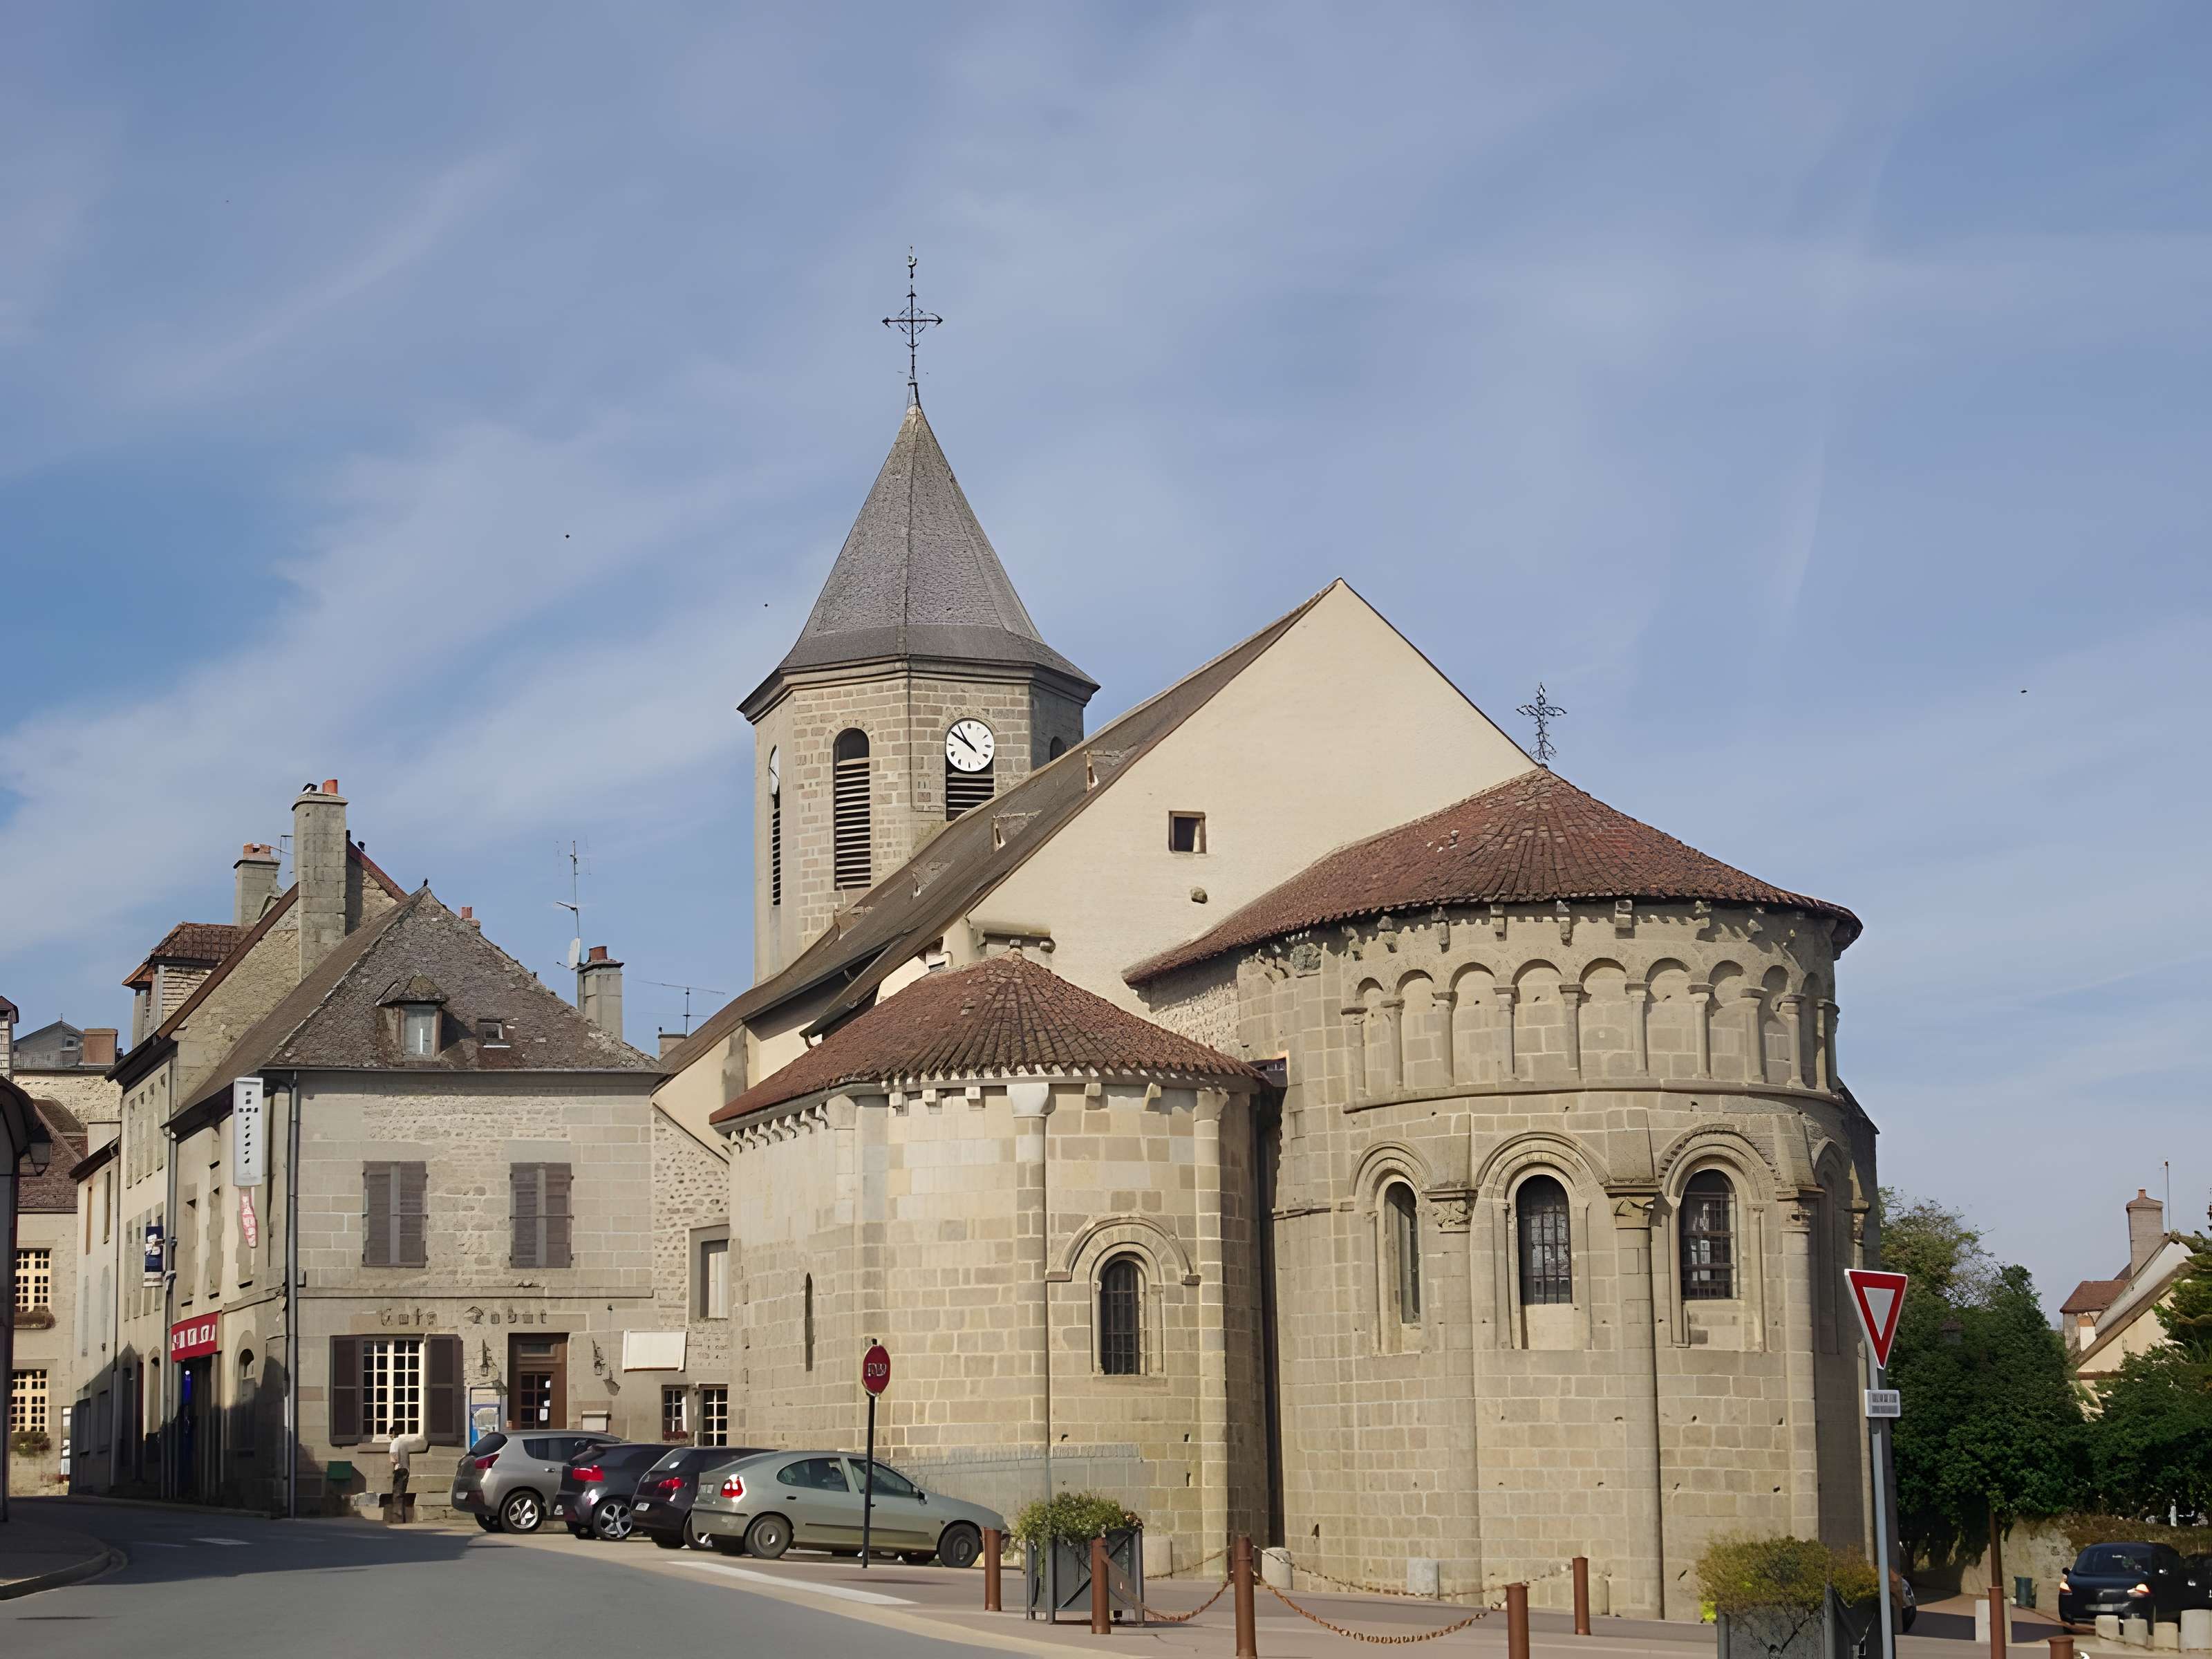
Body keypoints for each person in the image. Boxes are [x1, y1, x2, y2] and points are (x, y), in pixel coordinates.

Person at [388, 1428, 429, 1524]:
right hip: (406, 1470)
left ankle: (397, 1519)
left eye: (390, 1434)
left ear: (393, 1433)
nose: (389, 1436)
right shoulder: (404, 1443)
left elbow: (394, 1458)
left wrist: (394, 1468)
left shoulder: (394, 1442)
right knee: (402, 1494)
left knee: (397, 1494)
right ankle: (402, 1518)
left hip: (399, 1469)